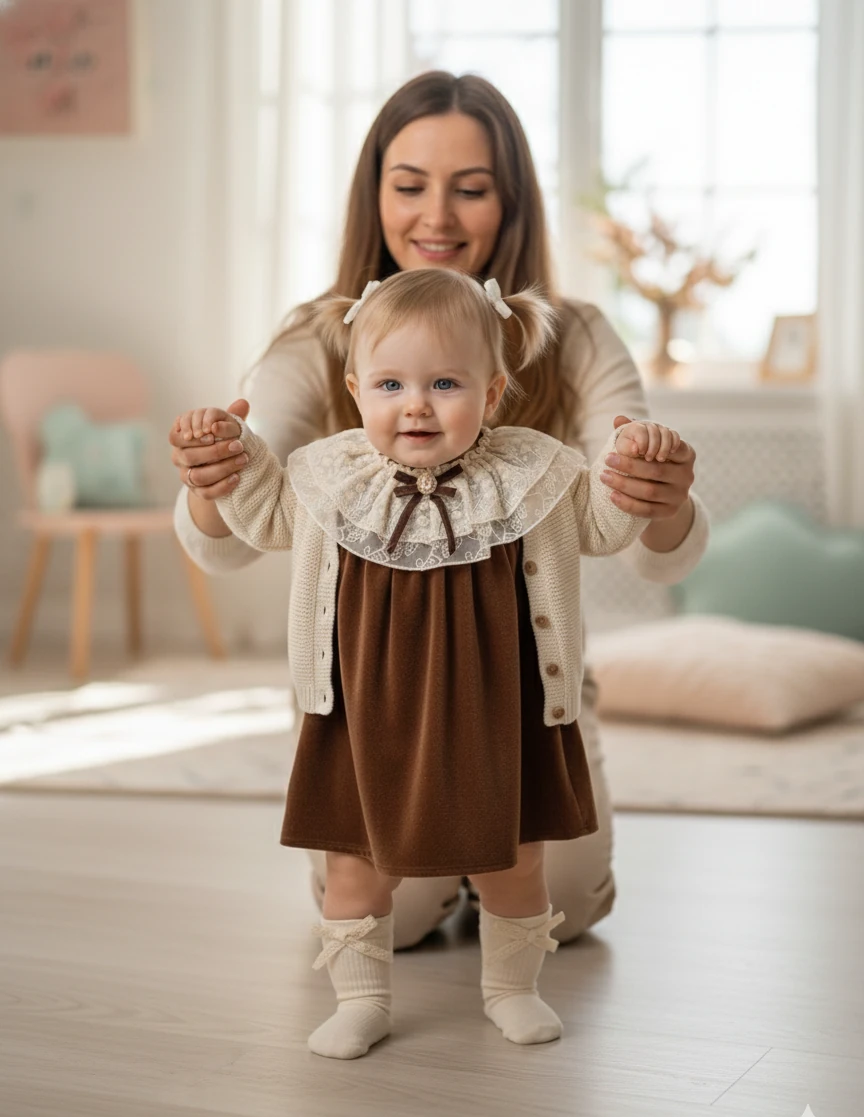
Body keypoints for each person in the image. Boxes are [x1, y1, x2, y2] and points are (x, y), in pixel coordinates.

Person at [170, 71, 708, 953]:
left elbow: (645, 546)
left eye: (472, 189)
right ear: (374, 191)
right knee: (395, 921)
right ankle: (446, 875)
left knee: (558, 909)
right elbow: (244, 524)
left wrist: (662, 499)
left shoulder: (572, 336)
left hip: (529, 699)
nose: (438, 218)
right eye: (410, 184)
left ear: (512, 201)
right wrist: (212, 477)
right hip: (374, 703)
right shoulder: (316, 335)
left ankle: (493, 867)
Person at [172, 268, 685, 1058]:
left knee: (517, 860)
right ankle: (361, 1000)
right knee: (355, 867)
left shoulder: (533, 470)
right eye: (390, 383)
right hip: (363, 714)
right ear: (355, 389)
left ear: (494, 389)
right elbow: (259, 511)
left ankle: (512, 988)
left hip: (500, 710)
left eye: (446, 382)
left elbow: (606, 522)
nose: (416, 403)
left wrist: (640, 467)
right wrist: (224, 451)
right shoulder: (327, 474)